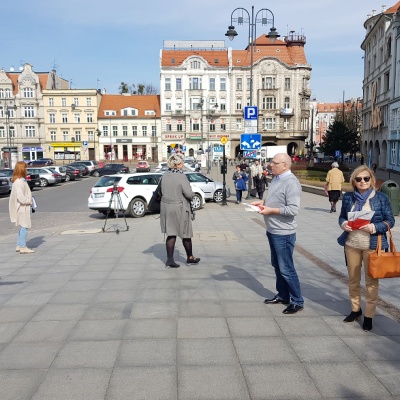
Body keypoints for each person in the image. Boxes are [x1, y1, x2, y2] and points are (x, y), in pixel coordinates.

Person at [338, 165, 394, 331]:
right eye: (359, 179)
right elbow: (342, 216)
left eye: (366, 178)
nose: (362, 181)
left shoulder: (381, 198)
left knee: (371, 282)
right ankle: (355, 309)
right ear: (354, 181)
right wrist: (343, 223)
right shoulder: (348, 197)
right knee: (353, 280)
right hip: (351, 245)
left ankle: (369, 315)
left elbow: (390, 221)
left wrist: (374, 227)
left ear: (371, 180)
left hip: (373, 246)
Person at [251, 153, 304, 314]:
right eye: (271, 162)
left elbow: (293, 209)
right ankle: (283, 295)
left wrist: (271, 210)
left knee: (286, 268)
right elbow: (275, 199)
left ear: (285, 165)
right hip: (272, 229)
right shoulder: (276, 179)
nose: (270, 165)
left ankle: (297, 300)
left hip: (284, 232)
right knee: (277, 265)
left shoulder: (291, 183)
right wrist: (262, 203)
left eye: (274, 163)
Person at [160, 153, 200, 268]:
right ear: (177, 164)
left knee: (171, 234)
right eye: (182, 163)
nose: (183, 165)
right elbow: (188, 193)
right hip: (179, 208)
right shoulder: (181, 176)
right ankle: (190, 257)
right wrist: (192, 194)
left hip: (166, 207)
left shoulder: (165, 175)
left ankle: (170, 260)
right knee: (186, 233)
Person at [9, 161, 35, 254]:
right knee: (25, 226)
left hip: (23, 207)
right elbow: (20, 197)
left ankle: (19, 245)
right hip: (22, 207)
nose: (27, 170)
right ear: (22, 170)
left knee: (23, 226)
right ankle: (23, 247)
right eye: (26, 168)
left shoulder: (19, 180)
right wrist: (28, 201)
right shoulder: (19, 182)